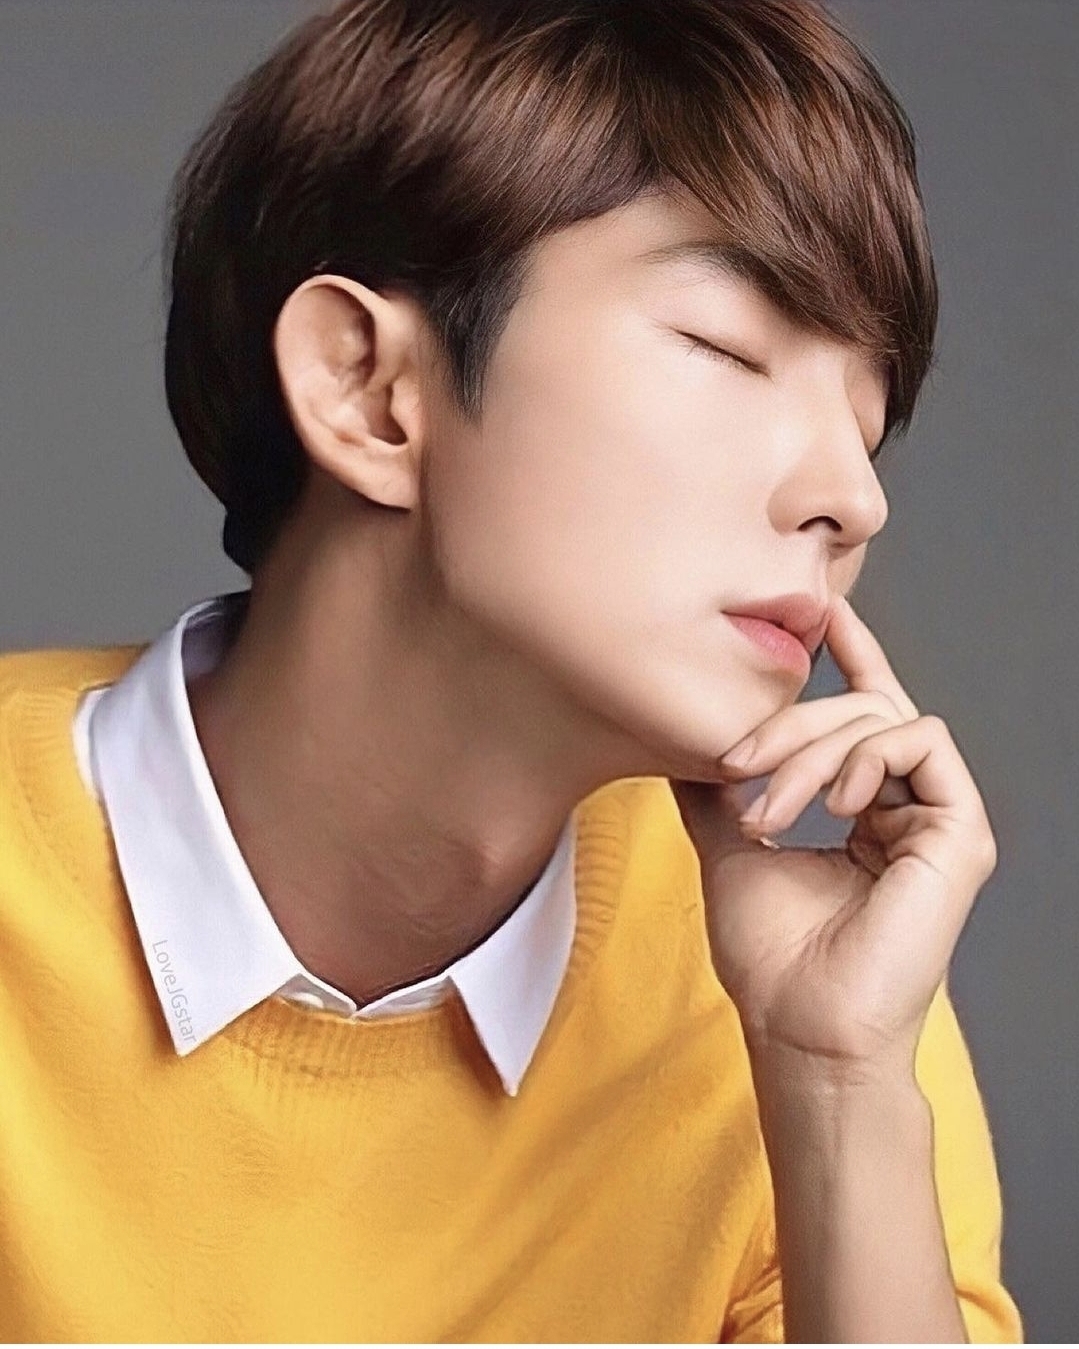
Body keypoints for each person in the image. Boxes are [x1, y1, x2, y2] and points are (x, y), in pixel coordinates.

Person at [0, 0, 1024, 1340]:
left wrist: (837, 1082)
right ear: (368, 390)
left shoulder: (793, 969)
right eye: (728, 351)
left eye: (868, 426)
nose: (853, 499)